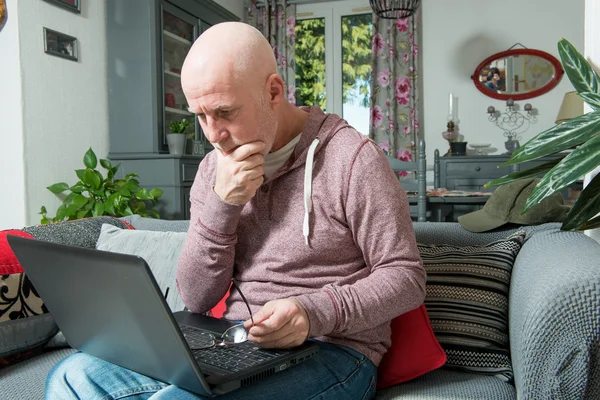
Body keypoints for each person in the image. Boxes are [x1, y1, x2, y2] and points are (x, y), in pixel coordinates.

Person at [45, 22, 426, 399]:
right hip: (233, 342)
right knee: (72, 375)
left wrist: (313, 312)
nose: (212, 134)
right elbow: (195, 298)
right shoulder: (212, 168)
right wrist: (223, 205)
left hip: (335, 352)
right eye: (200, 115)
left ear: (273, 91)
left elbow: (406, 276)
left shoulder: (352, 159)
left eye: (225, 112)